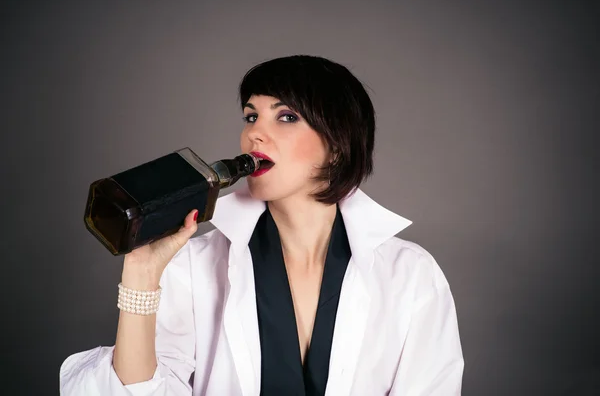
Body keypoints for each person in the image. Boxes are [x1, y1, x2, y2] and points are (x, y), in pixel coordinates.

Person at [59, 55, 464, 395]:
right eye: (251, 116)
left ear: (338, 146)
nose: (255, 133)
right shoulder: (194, 266)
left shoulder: (410, 275)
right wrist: (142, 275)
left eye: (286, 116)